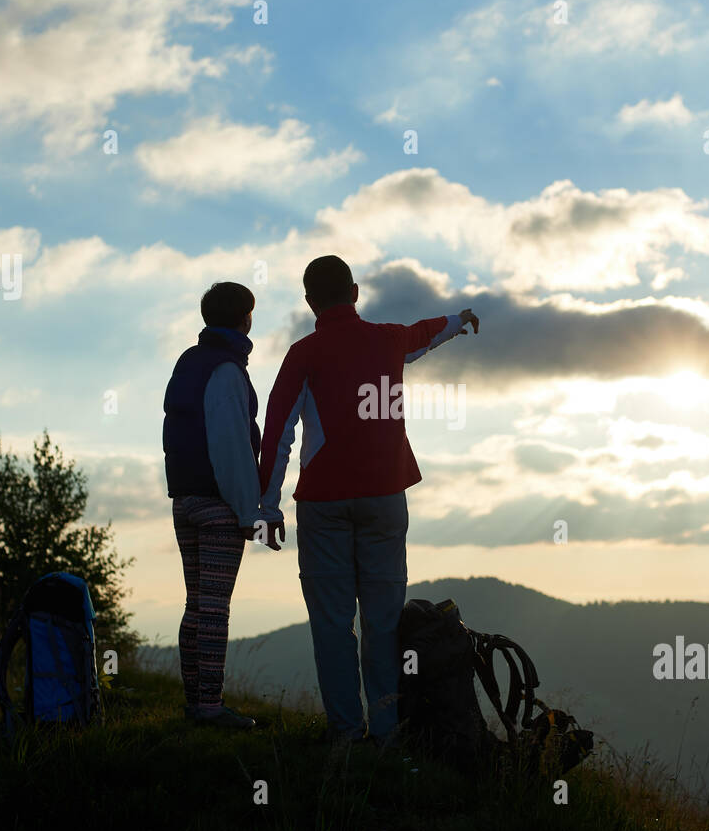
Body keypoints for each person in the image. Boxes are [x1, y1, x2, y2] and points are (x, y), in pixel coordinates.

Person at [257, 255, 478, 744]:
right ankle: (386, 732)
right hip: (385, 497)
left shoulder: (303, 353)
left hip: (323, 500)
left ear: (311, 302)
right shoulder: (388, 340)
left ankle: (345, 733)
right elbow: (427, 333)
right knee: (382, 623)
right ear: (355, 292)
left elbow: (277, 433)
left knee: (333, 624)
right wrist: (461, 321)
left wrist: (267, 507)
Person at [163, 281, 280, 730]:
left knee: (196, 604)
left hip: (184, 499)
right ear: (244, 319)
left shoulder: (188, 363)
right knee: (214, 608)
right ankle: (210, 706)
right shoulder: (228, 371)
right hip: (217, 505)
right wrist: (251, 513)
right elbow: (231, 446)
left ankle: (195, 701)